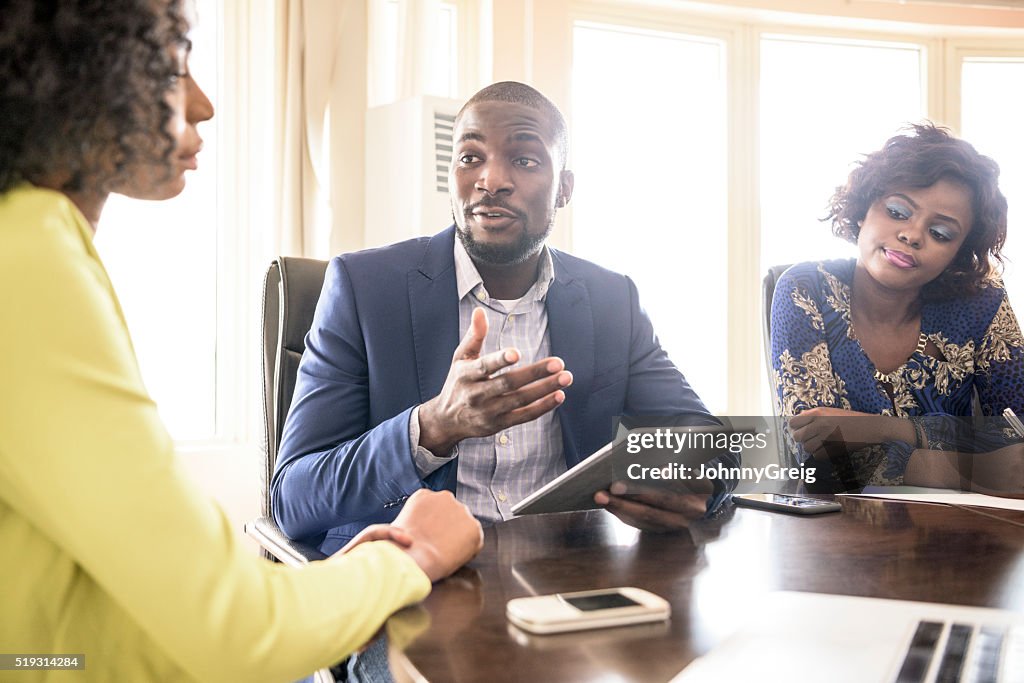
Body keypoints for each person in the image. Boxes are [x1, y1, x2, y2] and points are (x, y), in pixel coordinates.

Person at [0, 3, 482, 682]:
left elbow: (66, 639)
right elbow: (239, 631)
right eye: (172, 70)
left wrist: (330, 586)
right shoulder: (28, 257)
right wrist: (411, 555)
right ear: (79, 78)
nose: (203, 104)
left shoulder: (36, 242)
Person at [272, 81, 736, 555]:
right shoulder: (364, 288)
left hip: (569, 577)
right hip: (414, 585)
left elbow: (711, 443)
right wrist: (432, 426)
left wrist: (695, 482)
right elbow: (293, 497)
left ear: (565, 189)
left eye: (525, 160)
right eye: (470, 157)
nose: (490, 180)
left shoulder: (611, 300)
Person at [769, 123, 1024, 489]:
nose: (912, 234)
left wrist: (885, 428)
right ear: (862, 210)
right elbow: (813, 451)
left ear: (957, 255)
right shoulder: (805, 290)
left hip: (966, 532)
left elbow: (1017, 439)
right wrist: (974, 470)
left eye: (941, 233)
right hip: (837, 532)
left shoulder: (981, 304)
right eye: (897, 211)